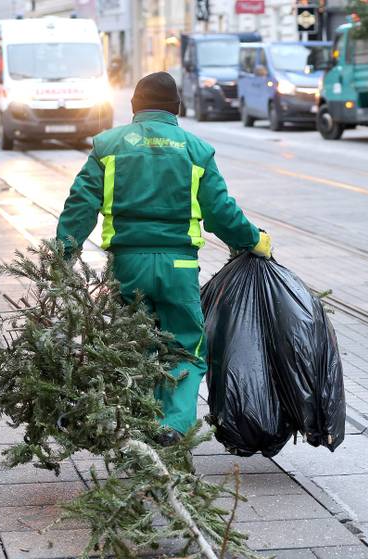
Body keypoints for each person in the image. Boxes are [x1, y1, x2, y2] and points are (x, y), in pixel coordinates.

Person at [56, 72, 272, 443]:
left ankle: (138, 424)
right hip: (179, 268)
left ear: (134, 107)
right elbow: (220, 212)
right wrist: (254, 240)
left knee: (133, 344)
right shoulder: (195, 150)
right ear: (177, 110)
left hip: (127, 267)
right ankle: (172, 426)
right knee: (185, 348)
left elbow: (81, 204)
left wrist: (63, 254)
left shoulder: (108, 146)